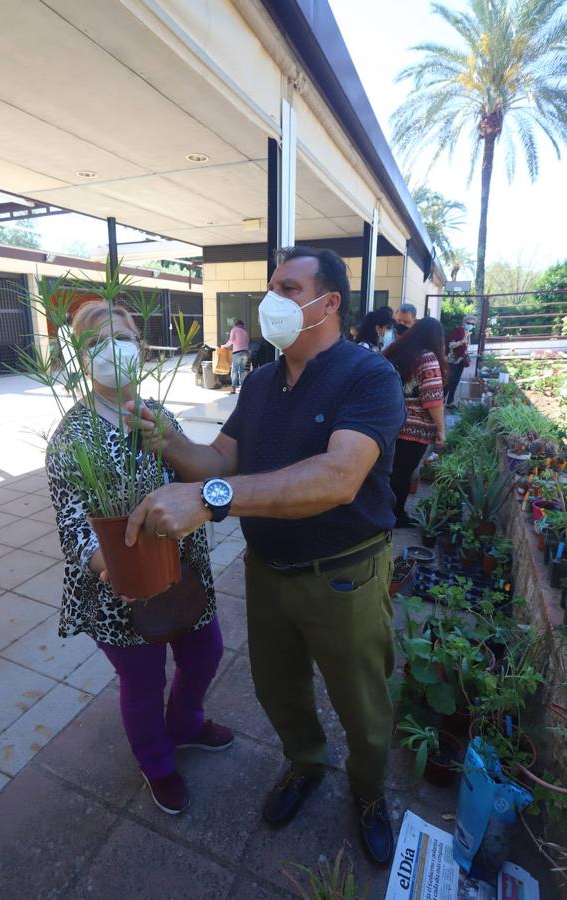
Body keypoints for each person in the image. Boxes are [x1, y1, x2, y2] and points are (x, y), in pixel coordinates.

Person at [124, 246, 406, 867]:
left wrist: (212, 498)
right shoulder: (259, 381)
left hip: (343, 577)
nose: (271, 299)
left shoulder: (368, 375)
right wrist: (167, 438)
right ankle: (305, 762)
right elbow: (220, 460)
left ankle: (366, 792)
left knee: (361, 701)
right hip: (268, 573)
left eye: (288, 287)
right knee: (277, 689)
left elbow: (338, 477)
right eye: (270, 286)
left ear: (328, 302)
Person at [46, 300, 231, 817]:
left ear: (140, 344)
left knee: (206, 653)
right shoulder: (70, 439)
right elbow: (73, 529)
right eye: (97, 343)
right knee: (143, 682)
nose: (114, 350)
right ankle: (156, 763)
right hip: (119, 589)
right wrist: (114, 569)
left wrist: (173, 448)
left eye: (122, 336)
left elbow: (196, 471)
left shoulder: (158, 413)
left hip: (182, 570)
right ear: (82, 359)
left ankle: (186, 724)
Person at [383, 317, 446, 528]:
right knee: (403, 473)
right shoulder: (427, 358)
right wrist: (442, 430)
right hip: (415, 427)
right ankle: (396, 516)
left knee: (390, 471)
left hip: (390, 422)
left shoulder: (395, 352)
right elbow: (433, 399)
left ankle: (383, 511)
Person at [444, 313, 476, 407]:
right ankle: (441, 401)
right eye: (469, 323)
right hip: (452, 361)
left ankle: (450, 402)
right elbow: (450, 345)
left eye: (473, 324)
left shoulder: (467, 333)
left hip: (461, 360)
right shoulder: (458, 331)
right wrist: (461, 342)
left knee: (456, 381)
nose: (471, 325)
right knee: (449, 381)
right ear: (464, 322)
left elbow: (466, 346)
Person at [223, 318, 250, 394]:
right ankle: (242, 388)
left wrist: (224, 346)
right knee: (242, 370)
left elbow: (231, 340)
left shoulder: (234, 330)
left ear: (235, 324)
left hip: (237, 353)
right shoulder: (245, 332)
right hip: (245, 353)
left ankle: (233, 388)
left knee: (234, 370)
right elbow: (247, 342)